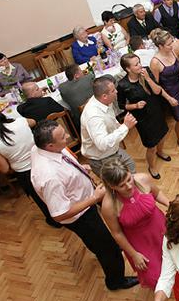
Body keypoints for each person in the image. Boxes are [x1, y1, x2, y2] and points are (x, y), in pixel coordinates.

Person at [30, 120, 138, 291]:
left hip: (84, 201)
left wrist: (79, 168)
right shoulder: (50, 177)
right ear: (50, 145)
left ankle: (99, 247)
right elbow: (59, 214)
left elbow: (64, 165)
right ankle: (116, 281)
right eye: (62, 137)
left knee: (96, 242)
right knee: (108, 249)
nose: (68, 136)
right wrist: (94, 198)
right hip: (81, 216)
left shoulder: (42, 149)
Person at [0, 105, 60, 227]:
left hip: (25, 173)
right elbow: (33, 122)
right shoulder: (20, 122)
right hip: (43, 160)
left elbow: (4, 169)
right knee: (57, 187)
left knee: (40, 198)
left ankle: (55, 221)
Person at [100, 158, 168, 289]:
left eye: (129, 179)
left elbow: (157, 193)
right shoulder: (109, 206)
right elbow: (117, 233)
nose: (129, 186)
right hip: (139, 242)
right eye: (122, 185)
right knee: (153, 275)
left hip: (161, 228)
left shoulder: (143, 179)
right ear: (112, 186)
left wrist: (169, 205)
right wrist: (134, 254)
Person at [118, 53, 172, 179]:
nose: (140, 65)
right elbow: (121, 105)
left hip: (156, 110)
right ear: (128, 69)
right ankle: (151, 167)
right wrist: (135, 106)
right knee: (151, 146)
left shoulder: (146, 71)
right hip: (143, 119)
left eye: (139, 62)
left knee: (163, 134)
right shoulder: (123, 85)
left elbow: (157, 91)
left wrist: (147, 78)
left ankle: (160, 152)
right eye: (136, 64)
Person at [149, 29, 179, 151]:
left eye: (172, 42)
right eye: (169, 44)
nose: (172, 45)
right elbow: (156, 85)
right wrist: (169, 98)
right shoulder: (155, 62)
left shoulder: (171, 51)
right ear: (160, 46)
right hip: (170, 93)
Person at [80, 75, 137, 174]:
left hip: (113, 149)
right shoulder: (94, 116)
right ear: (104, 96)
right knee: (122, 180)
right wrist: (125, 127)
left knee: (131, 166)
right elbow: (103, 144)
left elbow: (110, 119)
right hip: (102, 158)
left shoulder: (103, 101)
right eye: (113, 90)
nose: (116, 92)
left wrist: (119, 126)